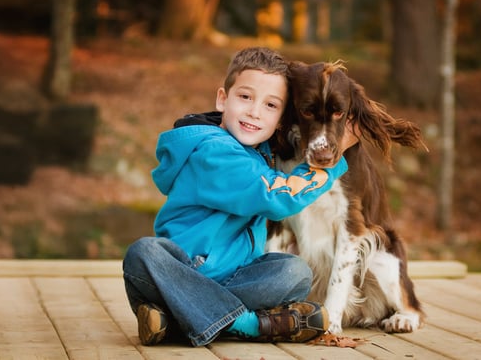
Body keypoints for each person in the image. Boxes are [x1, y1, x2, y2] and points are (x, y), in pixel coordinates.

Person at [122, 47, 358, 347]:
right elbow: (277, 197)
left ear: (282, 118)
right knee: (144, 253)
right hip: (179, 272)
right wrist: (333, 162)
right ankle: (246, 324)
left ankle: (177, 321)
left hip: (237, 278)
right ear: (223, 98)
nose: (255, 112)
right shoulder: (212, 152)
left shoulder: (259, 153)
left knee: (294, 271)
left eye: (271, 105)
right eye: (245, 97)